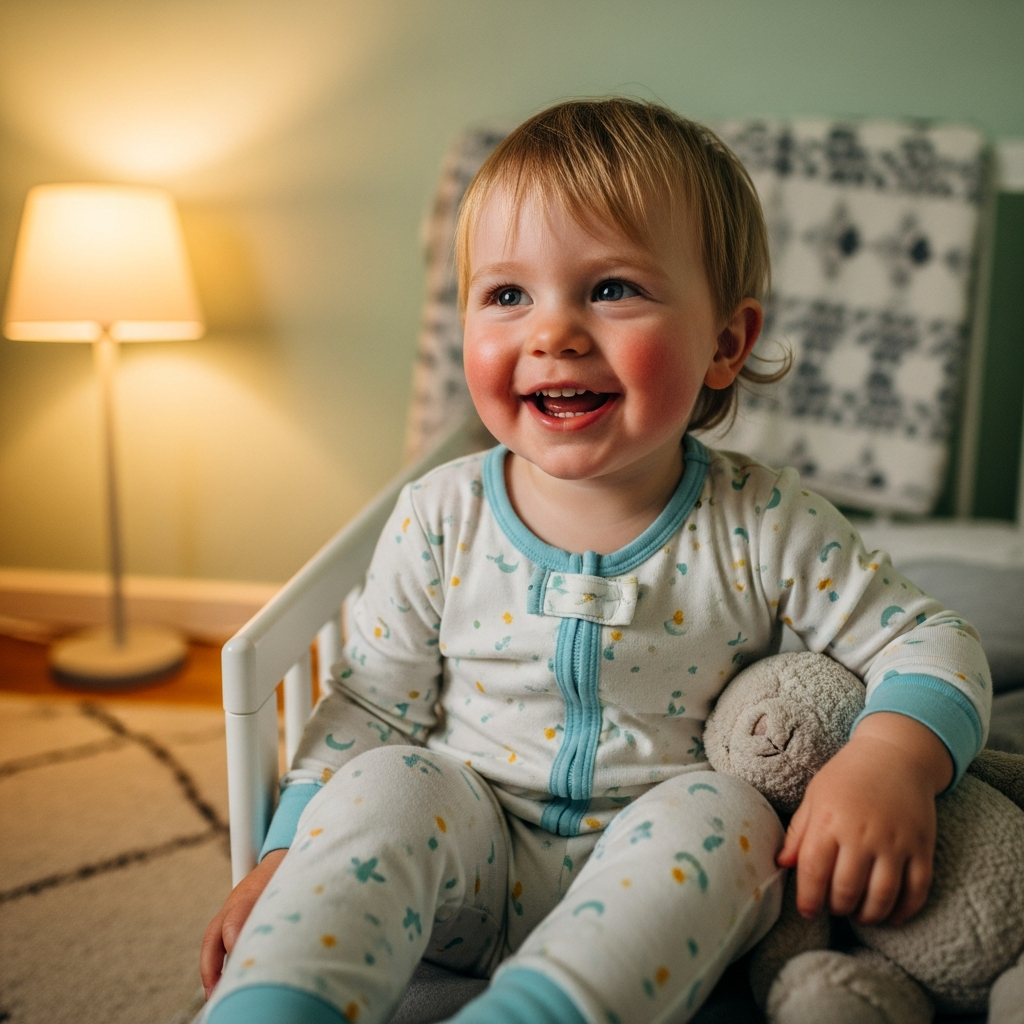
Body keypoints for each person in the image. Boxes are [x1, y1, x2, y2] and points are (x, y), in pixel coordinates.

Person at [200, 99, 991, 1024]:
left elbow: (929, 638)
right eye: (507, 295)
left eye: (612, 288)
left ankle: (539, 1008)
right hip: (469, 846)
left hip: (652, 866)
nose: (555, 332)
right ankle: (279, 999)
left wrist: (890, 761)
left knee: (729, 816)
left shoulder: (765, 522)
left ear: (726, 343)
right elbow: (374, 702)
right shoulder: (440, 515)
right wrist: (289, 851)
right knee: (382, 786)